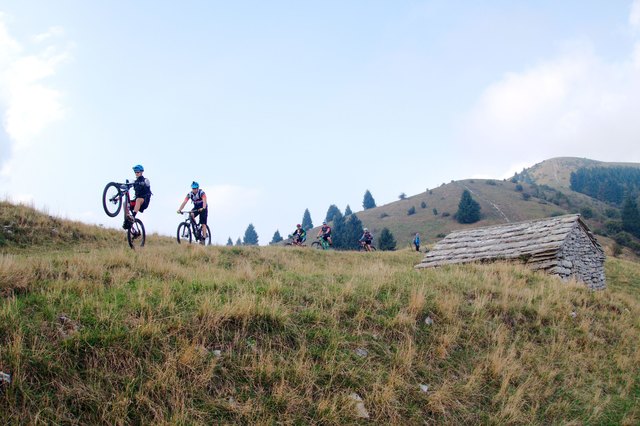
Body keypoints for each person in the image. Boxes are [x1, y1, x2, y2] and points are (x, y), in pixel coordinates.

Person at [124, 164, 151, 229]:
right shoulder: (135, 182)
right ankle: (127, 220)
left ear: (141, 172)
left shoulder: (145, 180)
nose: (136, 173)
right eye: (135, 172)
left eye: (138, 172)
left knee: (138, 199)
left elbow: (147, 184)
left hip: (144, 201)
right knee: (125, 203)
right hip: (137, 202)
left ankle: (133, 216)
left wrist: (143, 183)